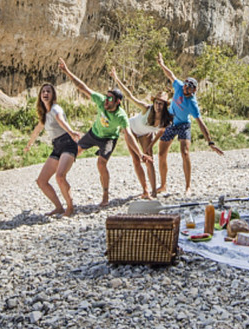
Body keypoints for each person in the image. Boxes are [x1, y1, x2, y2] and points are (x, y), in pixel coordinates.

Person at [57, 58, 153, 207]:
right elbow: (82, 87)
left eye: (110, 99)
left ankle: (105, 195)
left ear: (117, 102)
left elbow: (128, 134)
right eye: (106, 97)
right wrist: (67, 71)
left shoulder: (121, 116)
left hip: (108, 139)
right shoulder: (101, 100)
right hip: (93, 133)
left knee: (101, 164)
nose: (106, 101)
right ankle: (60, 174)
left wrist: (140, 154)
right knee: (73, 151)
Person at [155, 52, 222, 196]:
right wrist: (161, 64)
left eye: (189, 88)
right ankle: (163, 185)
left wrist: (210, 142)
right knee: (161, 154)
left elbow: (201, 123)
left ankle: (188, 187)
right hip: (171, 122)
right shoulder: (178, 86)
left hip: (184, 125)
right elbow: (170, 74)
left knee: (185, 153)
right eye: (185, 86)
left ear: (194, 90)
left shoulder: (192, 104)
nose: (185, 89)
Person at [24, 82, 82, 217]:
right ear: (40, 95)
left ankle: (70, 206)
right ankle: (58, 207)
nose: (45, 93)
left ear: (53, 95)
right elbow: (37, 130)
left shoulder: (56, 109)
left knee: (60, 176)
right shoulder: (45, 113)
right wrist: (29, 144)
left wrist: (72, 131)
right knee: (41, 181)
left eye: (48, 91)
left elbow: (61, 120)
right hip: (57, 146)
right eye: (43, 91)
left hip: (68, 144)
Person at [110, 67, 168, 199]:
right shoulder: (146, 108)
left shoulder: (166, 119)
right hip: (131, 130)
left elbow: (161, 132)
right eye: (157, 102)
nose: (158, 105)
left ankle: (153, 191)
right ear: (154, 102)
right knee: (136, 160)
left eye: (161, 104)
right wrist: (117, 78)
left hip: (146, 135)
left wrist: (151, 144)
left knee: (149, 160)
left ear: (165, 106)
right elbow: (129, 96)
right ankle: (145, 190)